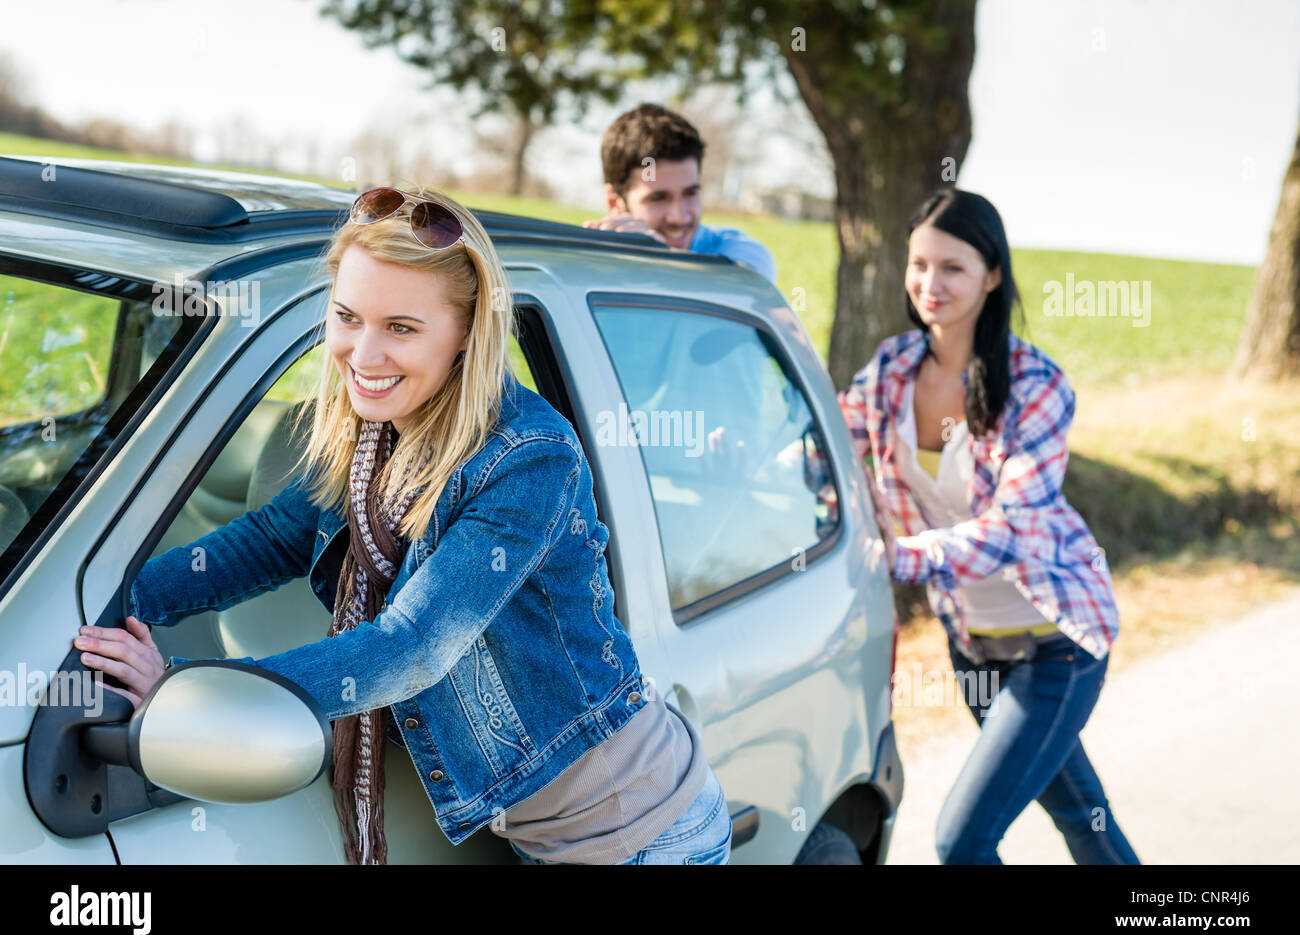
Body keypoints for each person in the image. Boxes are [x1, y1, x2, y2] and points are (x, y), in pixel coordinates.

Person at [74, 184, 731, 866]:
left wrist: (189, 690)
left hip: (644, 836)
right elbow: (272, 540)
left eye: (401, 327)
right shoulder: (371, 438)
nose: (363, 353)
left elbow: (412, 646)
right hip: (550, 840)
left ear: (467, 335)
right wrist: (96, 601)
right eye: (348, 316)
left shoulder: (528, 455)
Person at [838, 188, 1140, 865]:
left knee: (962, 839)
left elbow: (1013, 530)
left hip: (1056, 643)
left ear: (992, 274)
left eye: (952, 267)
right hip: (973, 645)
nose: (929, 283)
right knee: (1082, 818)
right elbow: (826, 443)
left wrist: (897, 557)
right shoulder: (891, 369)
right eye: (919, 264)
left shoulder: (1038, 385)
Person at [584, 102, 777, 284]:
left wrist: (659, 257)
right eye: (658, 198)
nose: (679, 217)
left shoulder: (741, 255)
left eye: (690, 193)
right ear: (615, 202)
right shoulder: (589, 265)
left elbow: (742, 289)